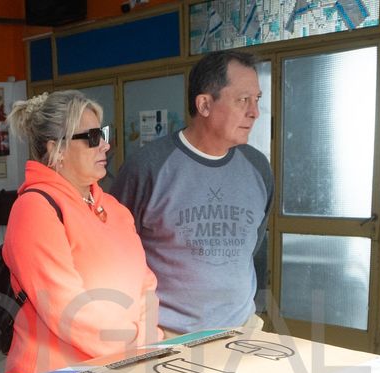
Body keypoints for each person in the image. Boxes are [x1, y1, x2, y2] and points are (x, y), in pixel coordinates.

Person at [2, 91, 163, 373]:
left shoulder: (113, 208)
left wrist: (146, 339)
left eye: (103, 133)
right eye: (92, 137)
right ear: (57, 149)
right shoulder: (34, 209)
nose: (105, 145)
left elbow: (145, 284)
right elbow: (64, 307)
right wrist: (135, 343)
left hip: (124, 367)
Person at [112, 49, 272, 337]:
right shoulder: (148, 167)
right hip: (168, 336)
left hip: (242, 330)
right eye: (242, 100)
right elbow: (116, 253)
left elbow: (254, 245)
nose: (255, 112)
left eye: (257, 100)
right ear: (204, 104)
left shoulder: (258, 167)